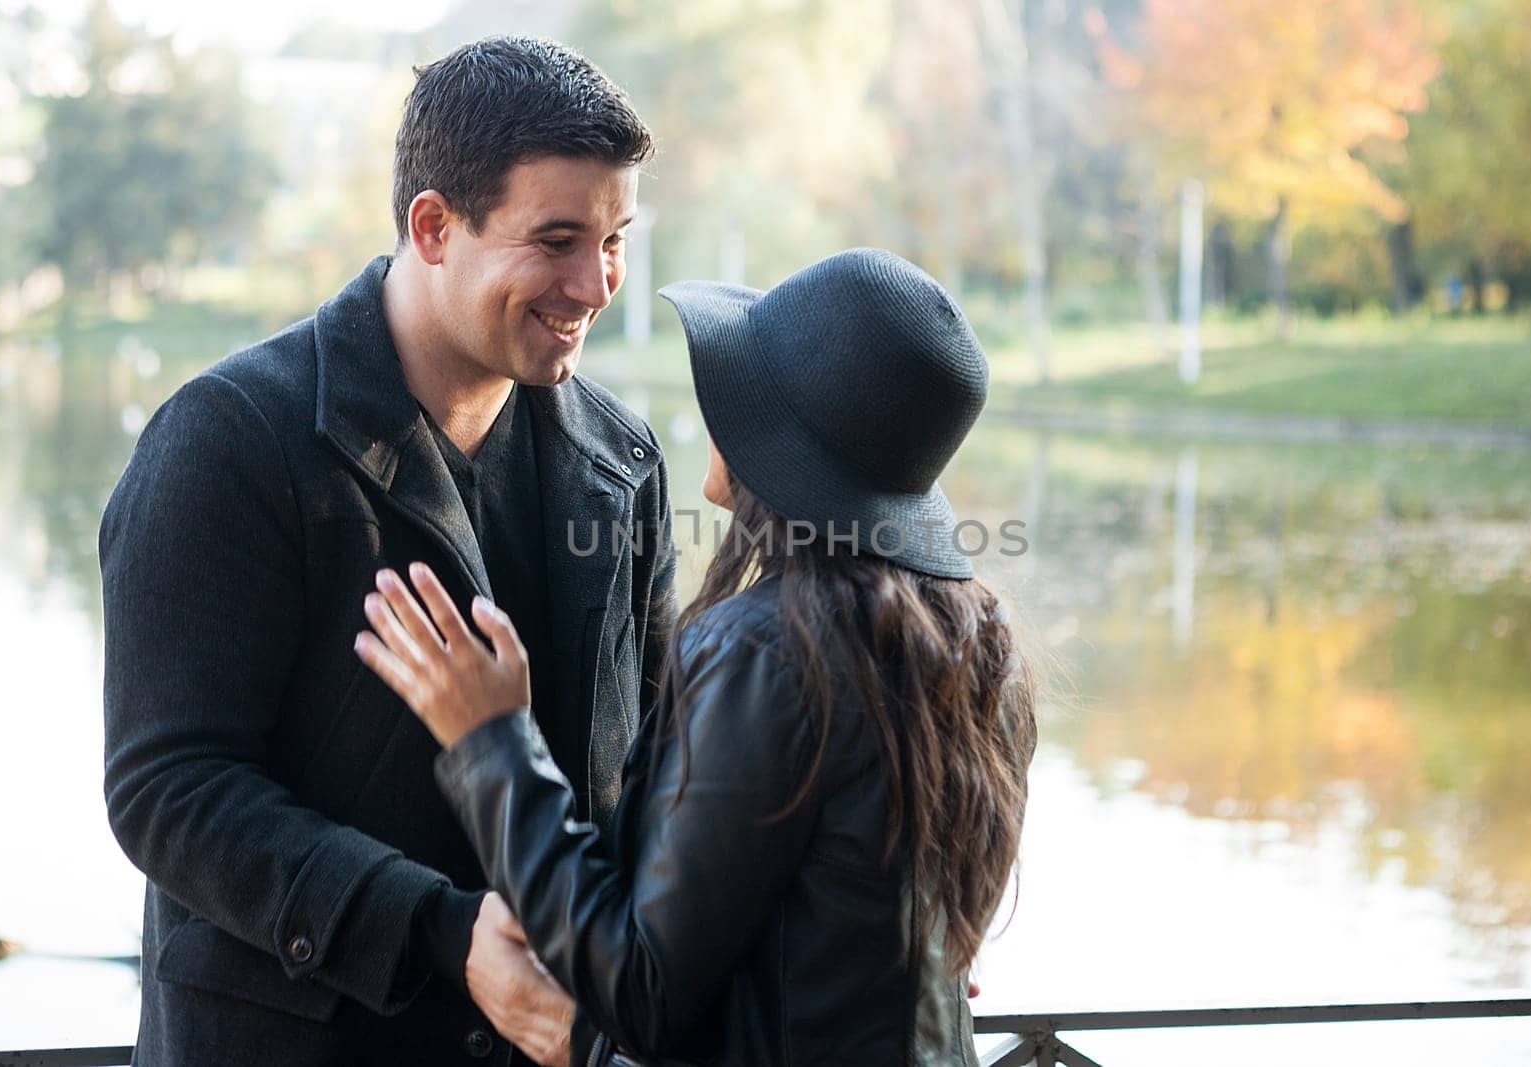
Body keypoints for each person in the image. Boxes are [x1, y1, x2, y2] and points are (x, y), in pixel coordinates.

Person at [99, 37, 675, 1066]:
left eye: (616, 238)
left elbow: (660, 775)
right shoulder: (225, 441)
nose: (596, 283)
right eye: (556, 240)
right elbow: (170, 790)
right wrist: (443, 934)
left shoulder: (626, 461)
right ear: (433, 226)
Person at [356, 248, 1039, 1065]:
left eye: (734, 384)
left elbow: (643, 990)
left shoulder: (769, 652)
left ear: (780, 439)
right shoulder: (976, 647)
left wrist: (492, 740)